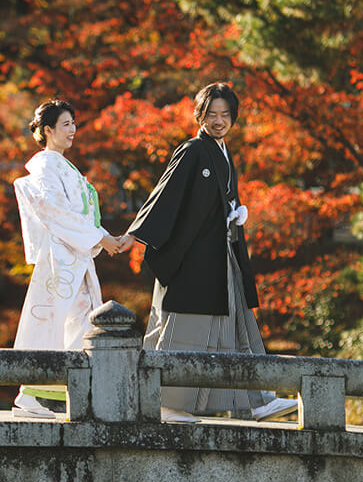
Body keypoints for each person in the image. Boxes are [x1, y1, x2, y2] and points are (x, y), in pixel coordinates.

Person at [124, 82, 298, 423]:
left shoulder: (220, 150)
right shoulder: (193, 150)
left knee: (236, 326)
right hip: (193, 262)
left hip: (220, 255)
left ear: (233, 117)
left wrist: (234, 210)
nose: (218, 121)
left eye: (225, 115)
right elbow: (165, 196)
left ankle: (255, 400)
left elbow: (217, 199)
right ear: (199, 115)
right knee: (186, 329)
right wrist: (134, 235)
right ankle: (167, 404)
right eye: (211, 114)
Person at [10, 100, 131, 419]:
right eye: (66, 124)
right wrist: (100, 238)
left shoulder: (63, 166)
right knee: (50, 322)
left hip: (74, 256)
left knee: (79, 323)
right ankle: (32, 396)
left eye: (74, 123)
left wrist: (103, 237)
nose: (73, 129)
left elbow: (79, 215)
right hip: (61, 257)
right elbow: (54, 211)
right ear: (47, 130)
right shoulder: (45, 164)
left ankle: (69, 392)